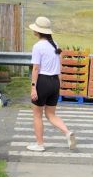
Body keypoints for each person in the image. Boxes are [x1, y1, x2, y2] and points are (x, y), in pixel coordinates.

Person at [27, 16, 76, 151]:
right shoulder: (55, 44)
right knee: (51, 114)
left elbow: (36, 68)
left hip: (42, 81)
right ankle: (67, 132)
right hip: (55, 82)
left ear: (38, 31)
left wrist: (33, 87)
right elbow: (59, 67)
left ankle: (40, 144)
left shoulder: (37, 46)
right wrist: (58, 85)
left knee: (37, 115)